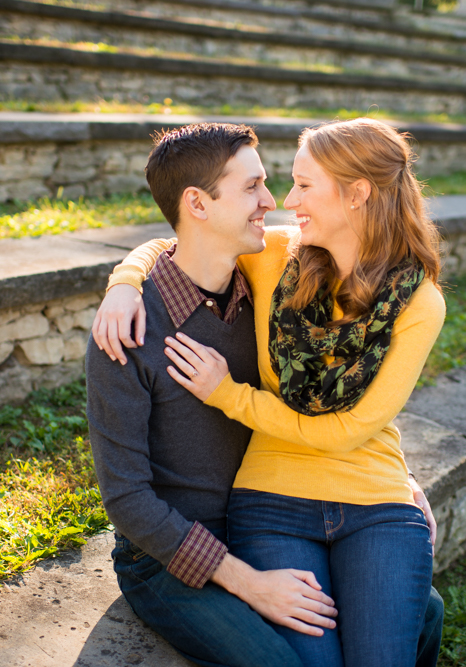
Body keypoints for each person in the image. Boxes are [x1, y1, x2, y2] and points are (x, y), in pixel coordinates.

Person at [86, 122, 443, 667]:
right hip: (179, 550)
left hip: (271, 512)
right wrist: (124, 284)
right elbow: (128, 501)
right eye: (255, 187)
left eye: (287, 184)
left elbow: (344, 409)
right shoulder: (132, 331)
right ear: (199, 204)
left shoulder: (263, 291)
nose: (275, 201)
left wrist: (399, 475)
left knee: (424, 613)